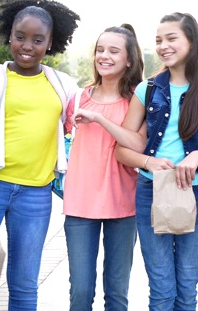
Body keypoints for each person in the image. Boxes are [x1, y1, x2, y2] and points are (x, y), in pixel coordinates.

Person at [114, 12, 198, 310]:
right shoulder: (148, 89)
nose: (163, 46)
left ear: (192, 43)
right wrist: (148, 163)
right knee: (160, 288)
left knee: (186, 287)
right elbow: (122, 149)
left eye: (171, 38)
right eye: (158, 40)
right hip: (152, 191)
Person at [0, 0, 80, 310]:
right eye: (20, 37)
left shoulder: (63, 86)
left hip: (36, 195)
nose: (27, 46)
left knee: (24, 284)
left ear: (50, 44)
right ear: (9, 35)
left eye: (37, 40)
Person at [62, 24, 144, 310]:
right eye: (100, 50)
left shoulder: (138, 99)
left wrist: (98, 119)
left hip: (124, 205)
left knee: (117, 294)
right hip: (80, 205)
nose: (104, 56)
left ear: (129, 59)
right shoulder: (78, 97)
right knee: (81, 292)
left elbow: (138, 145)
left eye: (113, 50)